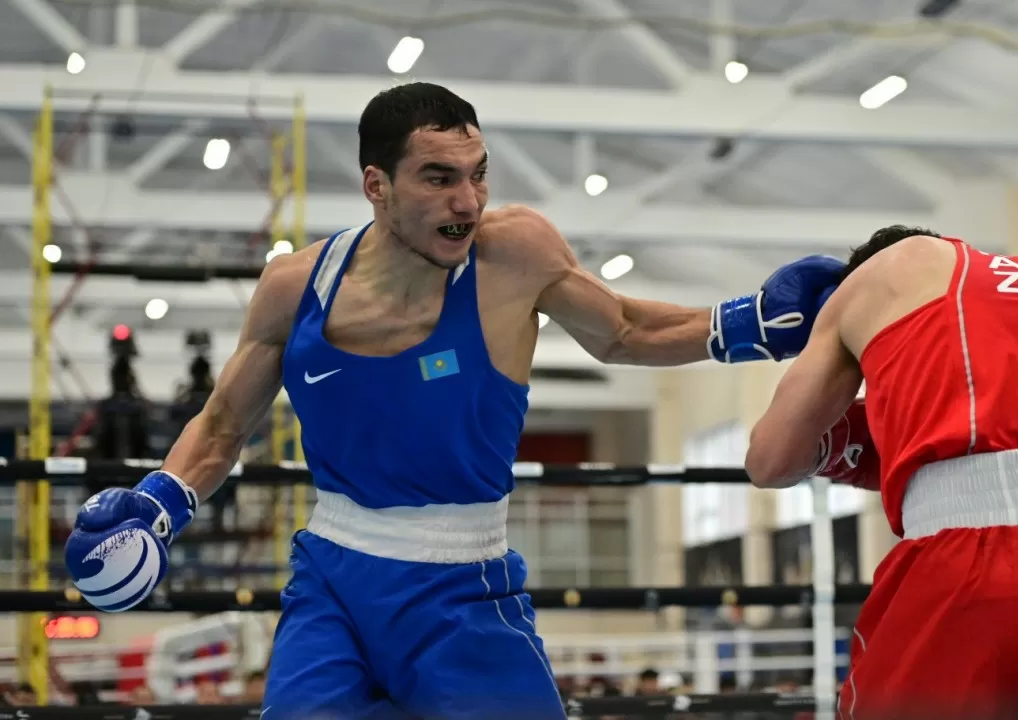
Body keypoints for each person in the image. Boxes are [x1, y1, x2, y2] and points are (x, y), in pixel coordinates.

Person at [63, 82, 844, 720]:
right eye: (439, 177)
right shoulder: (295, 289)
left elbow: (623, 330)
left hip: (462, 585)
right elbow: (223, 423)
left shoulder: (513, 256)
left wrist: (750, 326)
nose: (467, 201)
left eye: (478, 173)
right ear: (377, 185)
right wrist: (159, 505)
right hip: (334, 576)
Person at [745, 226, 1018, 720]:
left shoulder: (869, 283)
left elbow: (770, 460)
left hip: (958, 560)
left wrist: (842, 431)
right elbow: (1007, 431)